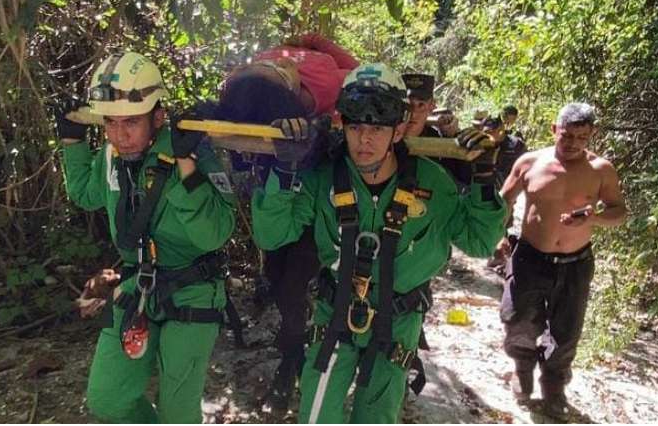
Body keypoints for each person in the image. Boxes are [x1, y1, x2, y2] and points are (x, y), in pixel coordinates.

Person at [251, 63, 507, 423]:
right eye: (355, 127)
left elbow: (480, 242)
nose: (364, 140)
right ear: (343, 125)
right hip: (334, 315)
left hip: (398, 324)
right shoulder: (324, 177)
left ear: (399, 129)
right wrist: (284, 168)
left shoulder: (432, 185)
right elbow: (272, 235)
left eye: (376, 128)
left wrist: (483, 179)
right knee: (317, 416)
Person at [55, 52, 236, 423]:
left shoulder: (190, 148)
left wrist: (185, 164)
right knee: (106, 400)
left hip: (193, 285)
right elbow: (87, 194)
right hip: (137, 282)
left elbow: (214, 234)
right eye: (110, 123)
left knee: (177, 413)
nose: (121, 136)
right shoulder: (112, 153)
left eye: (131, 123)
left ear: (157, 116)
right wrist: (72, 144)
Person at [219, 33, 359, 413]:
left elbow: (363, 84)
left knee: (292, 284)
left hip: (311, 186)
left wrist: (319, 44)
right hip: (273, 185)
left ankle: (292, 360)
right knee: (278, 269)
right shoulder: (247, 76)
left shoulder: (331, 82)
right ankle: (294, 340)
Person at [498, 102, 627, 420]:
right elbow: (503, 201)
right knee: (518, 319)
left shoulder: (601, 170)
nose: (573, 144)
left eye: (582, 137)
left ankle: (554, 388)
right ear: (554, 130)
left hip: (575, 263)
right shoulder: (530, 162)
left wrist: (594, 218)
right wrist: (499, 235)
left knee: (566, 331)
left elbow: (619, 212)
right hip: (529, 256)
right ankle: (523, 370)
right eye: (567, 136)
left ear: (591, 135)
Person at [482, 115, 528, 271]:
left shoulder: (516, 145)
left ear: (501, 130)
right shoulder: (483, 142)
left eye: (492, 131)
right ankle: (493, 249)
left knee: (505, 218)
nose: (489, 134)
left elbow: (523, 166)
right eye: (486, 131)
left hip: (510, 186)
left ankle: (500, 254)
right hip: (490, 185)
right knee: (490, 217)